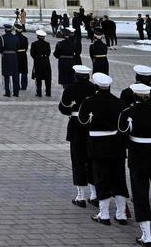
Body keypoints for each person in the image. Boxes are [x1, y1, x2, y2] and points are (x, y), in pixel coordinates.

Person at [119, 84, 151, 246]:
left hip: (138, 157)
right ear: (149, 96)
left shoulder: (127, 113)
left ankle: (146, 235)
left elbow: (122, 133)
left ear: (135, 96)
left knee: (140, 195)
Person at [78, 72, 129, 225]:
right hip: (116, 144)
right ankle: (121, 214)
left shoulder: (89, 102)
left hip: (98, 145)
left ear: (96, 86)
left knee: (101, 178)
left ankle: (104, 214)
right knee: (119, 179)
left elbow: (82, 121)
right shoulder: (119, 102)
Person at [59, 65, 95, 206]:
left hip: (75, 126)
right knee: (91, 160)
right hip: (91, 126)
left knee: (78, 160)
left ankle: (80, 195)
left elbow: (63, 107)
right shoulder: (94, 88)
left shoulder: (71, 88)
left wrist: (72, 111)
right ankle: (94, 194)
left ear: (76, 75)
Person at [0, 24, 19, 98]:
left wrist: (3, 53)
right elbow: (17, 46)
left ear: (5, 30)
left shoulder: (2, 37)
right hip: (14, 56)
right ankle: (16, 92)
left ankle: (7, 92)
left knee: (6, 75)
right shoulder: (15, 37)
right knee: (15, 75)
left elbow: (0, 48)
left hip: (6, 57)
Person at [30, 30, 52, 97]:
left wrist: (37, 58)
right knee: (47, 78)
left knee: (38, 78)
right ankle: (48, 93)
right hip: (46, 62)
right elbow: (48, 53)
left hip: (38, 62)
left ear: (37, 36)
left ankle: (39, 92)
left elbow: (32, 54)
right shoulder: (47, 44)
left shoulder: (34, 44)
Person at [14, 24, 29, 92]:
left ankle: (17, 85)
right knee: (24, 71)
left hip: (16, 55)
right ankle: (24, 85)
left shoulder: (14, 38)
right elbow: (26, 48)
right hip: (23, 55)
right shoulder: (25, 38)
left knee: (16, 71)